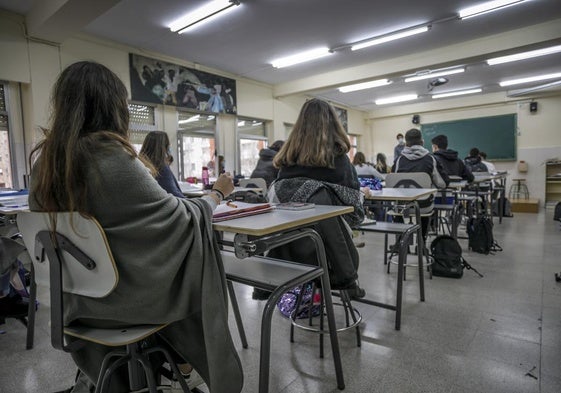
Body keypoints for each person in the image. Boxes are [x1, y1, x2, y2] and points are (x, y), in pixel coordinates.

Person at [27, 61, 243, 393]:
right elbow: (180, 219)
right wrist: (215, 195)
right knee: (194, 254)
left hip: (76, 305)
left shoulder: (44, 166)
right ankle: (185, 362)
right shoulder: (113, 159)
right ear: (115, 108)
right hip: (123, 304)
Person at [267, 98, 366, 299]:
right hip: (331, 258)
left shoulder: (287, 159)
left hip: (288, 254)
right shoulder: (338, 158)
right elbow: (356, 213)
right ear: (333, 124)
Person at [392, 128, 449, 239]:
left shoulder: (398, 160)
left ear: (406, 144)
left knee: (396, 205)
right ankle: (421, 242)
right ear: (422, 142)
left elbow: (392, 185)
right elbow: (442, 184)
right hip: (423, 206)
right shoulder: (430, 159)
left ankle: (401, 240)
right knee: (424, 200)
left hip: (402, 206)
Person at [139, 131, 185, 198]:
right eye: (168, 145)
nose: (169, 147)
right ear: (164, 147)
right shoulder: (162, 168)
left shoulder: (140, 165)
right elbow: (175, 195)